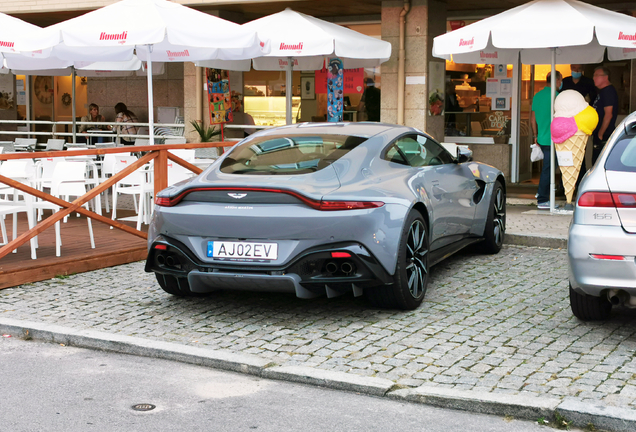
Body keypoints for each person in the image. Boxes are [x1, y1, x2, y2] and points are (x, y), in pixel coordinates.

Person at [531, 71, 562, 210]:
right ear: (557, 81)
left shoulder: (537, 96)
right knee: (548, 170)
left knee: (548, 168)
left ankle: (543, 197)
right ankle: (543, 199)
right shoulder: (557, 96)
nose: (561, 84)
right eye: (560, 81)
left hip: (542, 138)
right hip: (554, 139)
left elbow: (532, 118)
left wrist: (535, 135)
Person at [591, 66, 618, 165]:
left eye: (597, 75)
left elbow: (608, 114)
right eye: (594, 75)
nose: (594, 78)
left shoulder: (608, 91)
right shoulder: (602, 92)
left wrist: (600, 134)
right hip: (599, 133)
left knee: (599, 164)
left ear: (606, 77)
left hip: (604, 135)